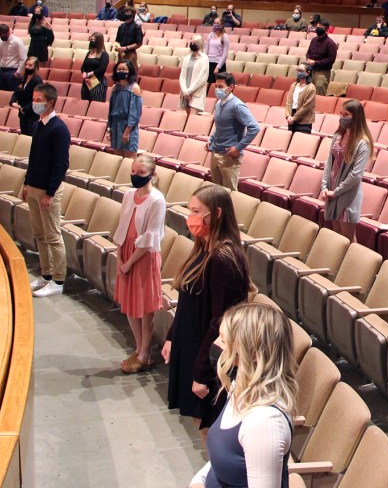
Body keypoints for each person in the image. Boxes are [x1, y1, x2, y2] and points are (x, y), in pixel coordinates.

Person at [164, 184, 250, 439]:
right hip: (192, 346)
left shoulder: (223, 258)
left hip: (209, 357)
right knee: (200, 423)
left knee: (209, 428)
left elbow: (221, 320)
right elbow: (187, 299)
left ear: (217, 214)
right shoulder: (203, 248)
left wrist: (202, 371)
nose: (191, 217)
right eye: (190, 210)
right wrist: (171, 336)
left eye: (196, 211)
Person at [189, 302, 297, 488]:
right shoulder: (238, 388)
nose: (215, 344)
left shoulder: (264, 421)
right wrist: (198, 481)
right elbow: (219, 463)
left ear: (252, 353)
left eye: (223, 340)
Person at [114, 155, 167, 374]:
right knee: (129, 302)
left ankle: (145, 353)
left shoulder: (157, 200)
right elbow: (122, 227)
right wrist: (119, 257)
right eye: (133, 172)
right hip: (126, 252)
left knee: (144, 307)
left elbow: (150, 238)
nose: (135, 176)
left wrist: (129, 263)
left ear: (152, 174)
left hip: (143, 256)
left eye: (141, 173)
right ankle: (138, 348)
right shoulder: (128, 195)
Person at [23, 83, 72, 298]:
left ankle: (58, 280)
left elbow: (61, 164)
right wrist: (26, 182)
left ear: (50, 102)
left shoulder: (59, 129)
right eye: (34, 99)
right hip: (34, 186)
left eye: (38, 100)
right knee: (39, 235)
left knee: (52, 236)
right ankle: (46, 274)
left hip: (47, 191)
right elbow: (34, 157)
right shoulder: (38, 125)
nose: (34, 103)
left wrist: (50, 193)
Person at [320, 100, 373, 242]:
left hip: (347, 194)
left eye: (346, 115)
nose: (342, 117)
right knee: (337, 236)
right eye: (341, 114)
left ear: (356, 117)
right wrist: (324, 186)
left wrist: (336, 192)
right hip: (332, 189)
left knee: (347, 237)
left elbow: (356, 175)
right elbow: (329, 163)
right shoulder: (337, 136)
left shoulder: (363, 143)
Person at [207, 73, 260, 190]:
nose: (217, 89)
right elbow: (220, 127)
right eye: (216, 86)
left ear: (231, 87)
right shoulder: (218, 103)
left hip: (229, 157)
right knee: (216, 192)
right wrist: (211, 139)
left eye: (220, 87)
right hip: (215, 152)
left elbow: (254, 128)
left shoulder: (237, 106)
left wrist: (238, 148)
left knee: (230, 194)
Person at [108, 60, 142, 158]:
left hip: (128, 126)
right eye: (119, 69)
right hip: (116, 125)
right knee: (118, 158)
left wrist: (127, 131)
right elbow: (111, 110)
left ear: (129, 71)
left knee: (129, 159)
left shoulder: (135, 88)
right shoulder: (115, 88)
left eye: (124, 69)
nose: (121, 71)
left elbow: (135, 113)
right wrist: (109, 129)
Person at [11, 56, 44, 136]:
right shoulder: (22, 79)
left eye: (30, 65)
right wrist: (12, 102)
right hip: (22, 113)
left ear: (35, 67)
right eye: (26, 64)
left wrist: (25, 109)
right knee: (23, 135)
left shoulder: (37, 80)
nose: (27, 67)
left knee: (29, 136)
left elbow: (37, 98)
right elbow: (16, 92)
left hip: (32, 114)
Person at [305, 19, 337, 96]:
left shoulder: (330, 43)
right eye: (317, 27)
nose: (317, 29)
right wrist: (308, 59)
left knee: (319, 94)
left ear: (325, 29)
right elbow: (309, 53)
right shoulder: (314, 40)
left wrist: (315, 63)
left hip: (322, 73)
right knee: (308, 93)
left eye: (320, 27)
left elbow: (331, 60)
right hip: (311, 71)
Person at [179, 35, 210, 115]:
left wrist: (189, 91)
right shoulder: (187, 58)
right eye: (191, 43)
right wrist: (185, 91)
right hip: (185, 92)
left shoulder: (204, 58)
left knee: (192, 118)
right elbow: (182, 76)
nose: (192, 45)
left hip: (196, 93)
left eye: (194, 43)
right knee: (183, 118)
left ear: (199, 45)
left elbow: (202, 78)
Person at [284, 63, 316, 134]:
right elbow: (288, 102)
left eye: (301, 71)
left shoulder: (311, 88)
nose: (299, 72)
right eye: (298, 70)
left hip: (304, 121)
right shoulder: (293, 85)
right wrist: (288, 116)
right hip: (291, 118)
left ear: (308, 73)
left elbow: (307, 107)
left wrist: (294, 118)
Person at [0, 23, 26, 93]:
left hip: (13, 71)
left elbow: (23, 58)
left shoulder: (17, 41)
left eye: (2, 35)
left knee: (12, 93)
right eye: (0, 35)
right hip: (2, 71)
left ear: (8, 32)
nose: (1, 37)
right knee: (0, 93)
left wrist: (18, 72)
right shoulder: (0, 41)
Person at [80, 32, 109, 102]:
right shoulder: (89, 53)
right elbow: (83, 66)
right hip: (87, 81)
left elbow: (102, 69)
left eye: (94, 40)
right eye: (91, 39)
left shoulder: (104, 54)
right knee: (85, 101)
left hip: (97, 81)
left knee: (95, 101)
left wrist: (88, 74)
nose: (92, 41)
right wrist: (84, 72)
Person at [205, 18, 230, 85]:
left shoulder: (225, 36)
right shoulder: (210, 35)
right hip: (210, 62)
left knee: (218, 84)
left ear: (222, 25)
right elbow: (206, 49)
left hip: (219, 64)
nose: (215, 25)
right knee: (209, 84)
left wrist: (218, 67)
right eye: (214, 23)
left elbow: (225, 54)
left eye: (217, 23)